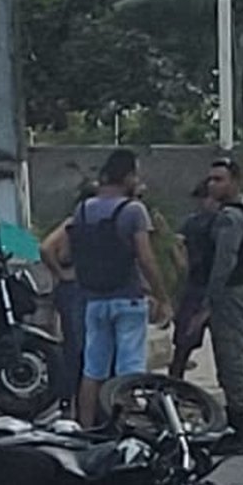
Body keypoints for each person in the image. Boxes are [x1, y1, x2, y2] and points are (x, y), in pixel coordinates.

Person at [68, 150, 172, 427]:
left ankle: (86, 429)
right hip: (128, 299)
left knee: (93, 370)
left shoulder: (83, 210)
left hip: (93, 299)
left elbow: (71, 251)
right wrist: (162, 296)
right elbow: (145, 258)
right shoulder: (133, 210)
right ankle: (126, 430)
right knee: (129, 371)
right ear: (128, 176)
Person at [190, 158, 243, 455]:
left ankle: (241, 430)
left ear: (235, 181)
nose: (212, 185)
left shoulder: (230, 217)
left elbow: (225, 260)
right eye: (211, 179)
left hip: (232, 293)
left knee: (232, 363)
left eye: (219, 179)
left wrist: (210, 300)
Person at [40, 184, 97, 402]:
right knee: (76, 347)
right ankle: (70, 396)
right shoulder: (74, 223)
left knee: (80, 346)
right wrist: (62, 274)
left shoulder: (82, 224)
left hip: (77, 289)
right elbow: (46, 248)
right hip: (74, 289)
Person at [169, 179, 219, 380]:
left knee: (183, 345)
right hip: (207, 287)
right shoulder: (219, 221)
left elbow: (179, 258)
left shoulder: (193, 223)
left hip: (198, 286)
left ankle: (174, 384)